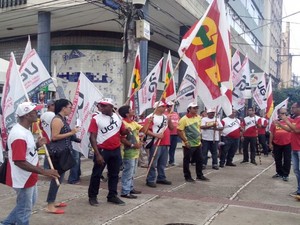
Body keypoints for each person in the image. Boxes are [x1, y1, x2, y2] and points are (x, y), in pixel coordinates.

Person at [2, 102, 59, 225]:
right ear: (26, 115)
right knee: (25, 209)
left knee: (29, 203)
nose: (37, 113)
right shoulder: (19, 134)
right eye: (34, 111)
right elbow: (19, 161)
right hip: (22, 177)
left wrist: (37, 145)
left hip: (29, 175)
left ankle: (6, 223)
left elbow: (27, 152)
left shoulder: (25, 130)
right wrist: (44, 171)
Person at [88, 98, 129, 206]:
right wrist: (97, 154)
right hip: (102, 150)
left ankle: (112, 196)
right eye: (100, 105)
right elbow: (92, 137)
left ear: (111, 107)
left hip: (115, 150)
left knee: (114, 174)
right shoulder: (96, 118)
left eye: (104, 105)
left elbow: (122, 132)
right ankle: (92, 196)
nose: (101, 107)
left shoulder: (117, 117)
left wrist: (127, 131)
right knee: (96, 174)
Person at [46, 99, 80, 214]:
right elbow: (54, 137)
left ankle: (53, 200)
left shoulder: (63, 119)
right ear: (63, 108)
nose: (71, 110)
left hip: (64, 151)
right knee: (56, 178)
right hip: (58, 153)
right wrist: (71, 133)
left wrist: (76, 138)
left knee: (59, 178)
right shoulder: (57, 120)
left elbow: (66, 134)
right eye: (69, 107)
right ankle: (50, 204)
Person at [177, 102, 209, 182]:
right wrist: (186, 141)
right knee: (187, 160)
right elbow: (179, 131)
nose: (196, 109)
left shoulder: (198, 117)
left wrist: (200, 140)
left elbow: (198, 129)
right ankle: (187, 176)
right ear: (189, 109)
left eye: (197, 108)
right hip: (188, 143)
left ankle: (199, 175)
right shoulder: (184, 119)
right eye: (194, 108)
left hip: (197, 143)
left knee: (199, 160)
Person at [118, 105, 145, 198]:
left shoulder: (133, 122)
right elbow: (122, 139)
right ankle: (125, 191)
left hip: (135, 152)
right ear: (126, 113)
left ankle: (130, 187)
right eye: (130, 110)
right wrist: (133, 145)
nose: (133, 110)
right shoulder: (123, 124)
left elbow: (143, 129)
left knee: (133, 172)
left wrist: (149, 122)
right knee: (128, 172)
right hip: (128, 152)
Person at [145, 101, 174, 188]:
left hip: (165, 142)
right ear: (156, 107)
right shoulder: (150, 117)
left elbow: (172, 128)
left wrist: (169, 120)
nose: (164, 108)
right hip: (155, 142)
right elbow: (145, 130)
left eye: (164, 106)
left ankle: (161, 177)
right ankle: (150, 179)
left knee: (163, 162)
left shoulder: (166, 117)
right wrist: (156, 135)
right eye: (162, 106)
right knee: (153, 162)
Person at [278, 102, 300, 198]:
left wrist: (286, 120)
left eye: (293, 107)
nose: (292, 109)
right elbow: (290, 130)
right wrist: (281, 124)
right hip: (294, 147)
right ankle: (299, 190)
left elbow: (296, 130)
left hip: (299, 148)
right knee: (296, 170)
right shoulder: (296, 119)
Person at [269, 108, 291, 181]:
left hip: (288, 143)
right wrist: (270, 143)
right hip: (277, 143)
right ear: (278, 114)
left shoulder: (290, 121)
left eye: (285, 113)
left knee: (287, 159)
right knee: (277, 159)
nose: (284, 115)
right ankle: (279, 172)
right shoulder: (274, 122)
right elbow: (272, 133)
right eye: (282, 113)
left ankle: (285, 174)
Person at [40, 99, 56, 169]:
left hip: (45, 137)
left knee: (48, 154)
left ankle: (46, 168)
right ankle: (49, 168)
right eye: (54, 105)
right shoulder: (54, 115)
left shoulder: (42, 115)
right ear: (50, 106)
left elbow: (40, 126)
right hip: (52, 137)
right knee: (51, 155)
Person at [165, 101, 180, 166]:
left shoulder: (176, 114)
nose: (170, 107)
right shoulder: (164, 114)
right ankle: (165, 161)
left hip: (175, 133)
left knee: (173, 148)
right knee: (166, 148)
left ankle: (172, 161)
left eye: (171, 106)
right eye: (169, 106)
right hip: (168, 134)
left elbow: (179, 122)